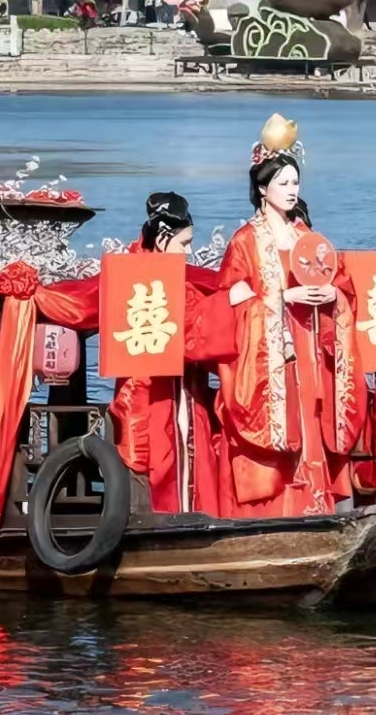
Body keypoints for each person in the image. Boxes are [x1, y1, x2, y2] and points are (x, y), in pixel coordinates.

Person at [210, 115, 366, 518]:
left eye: (295, 183)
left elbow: (345, 286)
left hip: (310, 341)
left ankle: (316, 501)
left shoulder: (308, 239)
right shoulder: (245, 242)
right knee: (286, 417)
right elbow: (230, 302)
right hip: (271, 352)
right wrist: (283, 296)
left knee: (312, 416)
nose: (292, 191)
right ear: (263, 189)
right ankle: (278, 510)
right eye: (283, 183)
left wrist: (334, 294)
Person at [107, 192, 238, 514]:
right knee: (158, 461)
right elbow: (195, 334)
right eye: (184, 243)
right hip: (151, 399)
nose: (189, 251)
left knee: (186, 456)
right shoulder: (140, 278)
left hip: (180, 396)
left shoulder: (171, 277)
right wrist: (231, 301)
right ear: (163, 238)